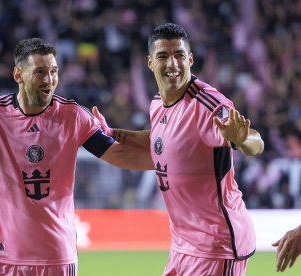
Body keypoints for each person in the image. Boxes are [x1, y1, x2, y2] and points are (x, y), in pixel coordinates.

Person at [0, 38, 153, 276]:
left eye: (54, 71)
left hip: (56, 258)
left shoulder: (73, 116)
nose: (49, 79)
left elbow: (119, 154)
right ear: (18, 75)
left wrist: (169, 162)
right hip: (2, 257)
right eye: (40, 72)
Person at [93, 22, 264, 275]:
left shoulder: (208, 104)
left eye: (179, 55)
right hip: (183, 245)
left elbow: (256, 142)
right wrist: (115, 134)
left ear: (190, 59)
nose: (172, 64)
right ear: (150, 62)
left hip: (217, 246)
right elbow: (163, 141)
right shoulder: (157, 105)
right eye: (163, 56)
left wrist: (241, 139)